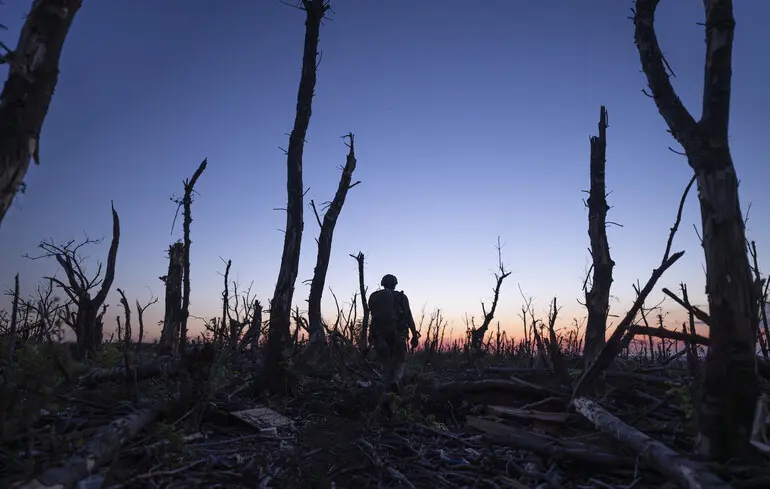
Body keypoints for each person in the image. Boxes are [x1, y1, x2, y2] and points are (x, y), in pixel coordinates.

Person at [367, 274, 420, 393]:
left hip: (379, 334)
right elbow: (408, 316)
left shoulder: (374, 297)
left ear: (383, 283)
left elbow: (373, 318)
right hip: (398, 334)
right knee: (400, 360)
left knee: (385, 361)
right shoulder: (401, 297)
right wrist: (414, 335)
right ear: (395, 284)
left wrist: (371, 335)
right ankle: (395, 381)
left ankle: (386, 388)